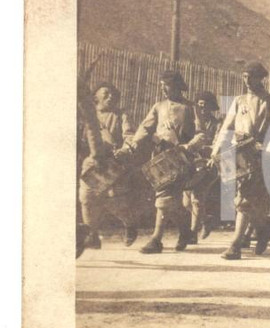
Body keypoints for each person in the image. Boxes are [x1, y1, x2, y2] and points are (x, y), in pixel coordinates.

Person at [210, 62, 270, 260]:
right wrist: (216, 151)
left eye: (251, 77)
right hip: (237, 155)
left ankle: (235, 245)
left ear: (261, 78)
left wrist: (268, 153)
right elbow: (226, 128)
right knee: (245, 198)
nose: (247, 81)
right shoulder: (239, 101)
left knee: (245, 198)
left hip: (258, 157)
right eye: (244, 76)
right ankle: (263, 227)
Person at [124, 70, 198, 254]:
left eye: (168, 85)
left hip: (181, 158)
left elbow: (201, 133)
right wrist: (133, 143)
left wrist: (188, 146)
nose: (164, 89)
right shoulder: (158, 107)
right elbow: (145, 127)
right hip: (159, 158)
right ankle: (185, 230)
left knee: (165, 195)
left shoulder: (190, 108)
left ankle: (156, 239)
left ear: (178, 86)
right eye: (162, 85)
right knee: (169, 198)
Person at [78, 82, 138, 249]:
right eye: (106, 93)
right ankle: (92, 235)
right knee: (86, 198)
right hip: (91, 162)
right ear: (95, 96)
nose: (110, 97)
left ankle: (130, 224)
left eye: (113, 94)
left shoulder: (121, 115)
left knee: (114, 202)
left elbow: (129, 135)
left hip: (113, 162)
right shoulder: (87, 115)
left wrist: (125, 149)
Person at [183, 90, 222, 243]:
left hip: (208, 164)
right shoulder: (191, 122)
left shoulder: (217, 125)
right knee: (186, 202)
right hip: (190, 164)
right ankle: (206, 220)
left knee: (197, 198)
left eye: (205, 106)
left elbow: (217, 145)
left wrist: (203, 148)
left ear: (212, 107)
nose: (202, 109)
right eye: (199, 106)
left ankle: (193, 233)